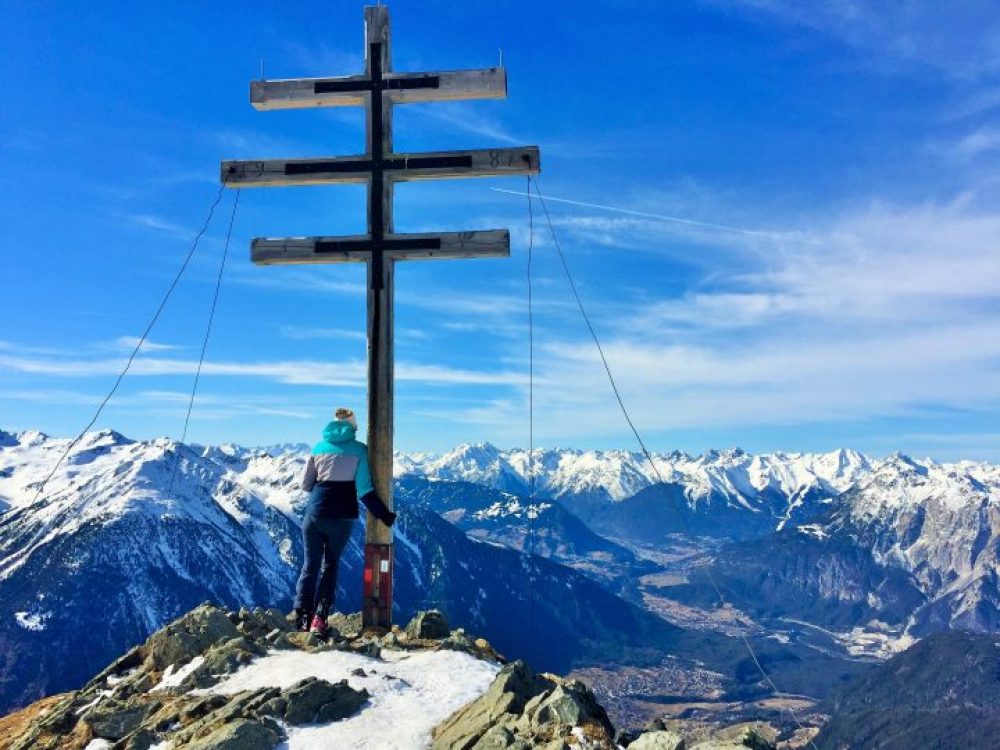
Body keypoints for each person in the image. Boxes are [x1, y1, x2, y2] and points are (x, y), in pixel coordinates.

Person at [294, 407, 397, 635]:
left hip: (314, 515)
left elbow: (305, 485)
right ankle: (319, 619)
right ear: (354, 426)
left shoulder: (318, 448)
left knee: (309, 564)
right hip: (341, 517)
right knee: (330, 565)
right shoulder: (359, 450)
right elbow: (365, 490)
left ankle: (301, 616)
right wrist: (385, 516)